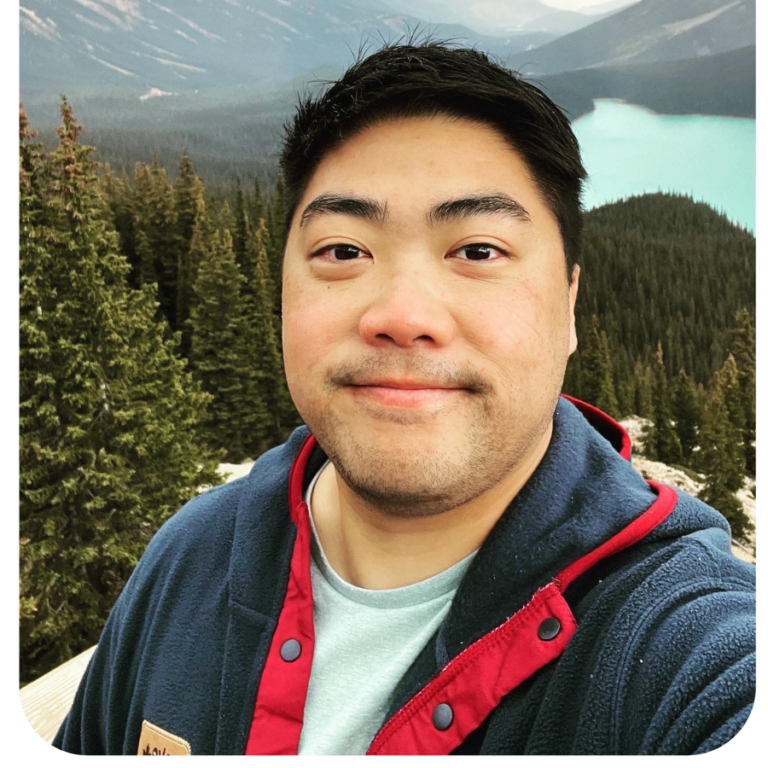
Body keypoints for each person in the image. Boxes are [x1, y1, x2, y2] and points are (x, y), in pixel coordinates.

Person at [53, 41, 755, 756]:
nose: (402, 313)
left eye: (478, 250)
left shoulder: (684, 647)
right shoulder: (189, 556)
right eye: (343, 250)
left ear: (570, 303)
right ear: (284, 290)